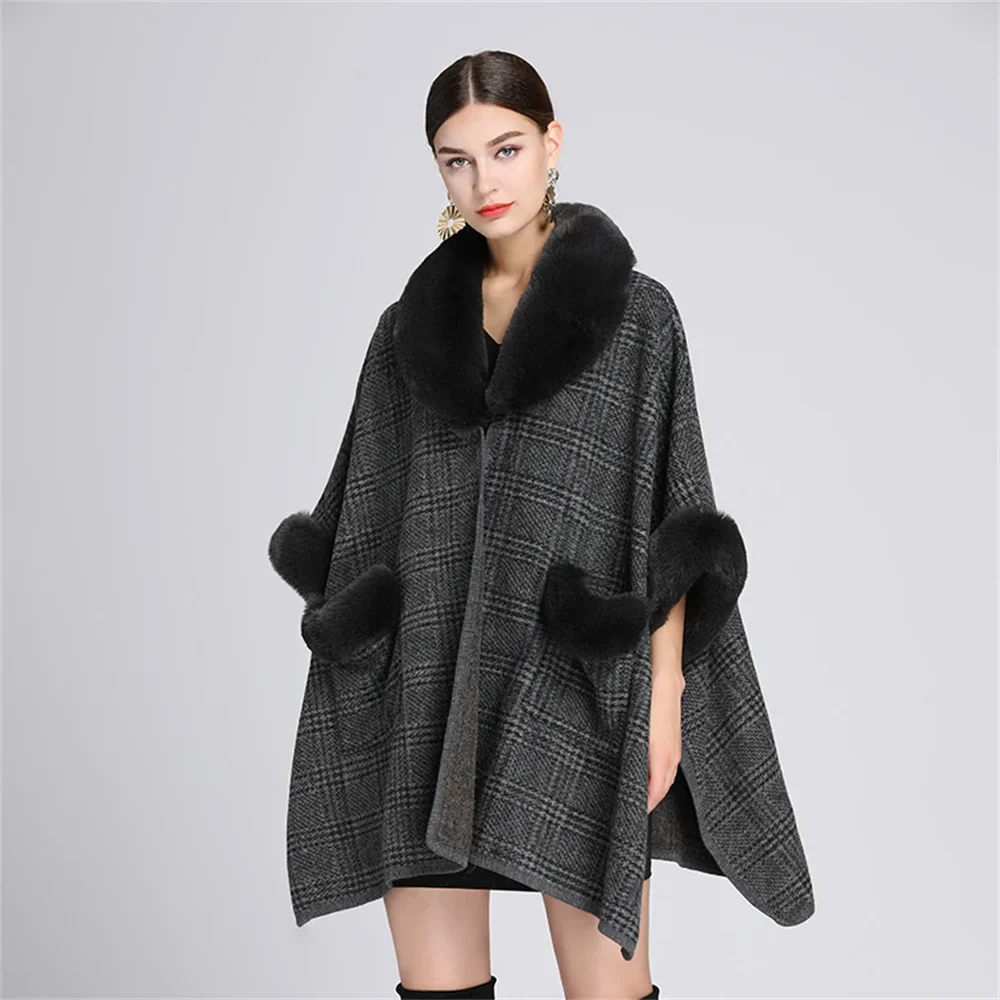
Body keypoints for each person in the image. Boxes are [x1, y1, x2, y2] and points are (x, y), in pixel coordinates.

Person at [268, 48, 813, 1000]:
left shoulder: (638, 320)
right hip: (428, 698)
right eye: (457, 160)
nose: (485, 181)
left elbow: (673, 522)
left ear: (552, 143)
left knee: (608, 990)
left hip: (573, 696)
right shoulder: (406, 331)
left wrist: (666, 692)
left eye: (506, 149)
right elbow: (365, 515)